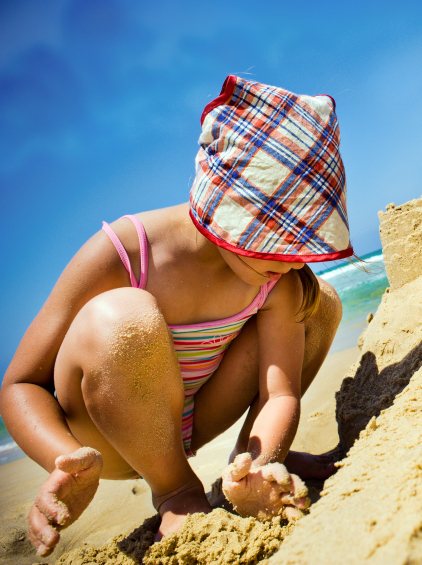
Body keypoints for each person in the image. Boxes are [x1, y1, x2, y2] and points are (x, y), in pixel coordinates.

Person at [0, 75, 353, 557]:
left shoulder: (278, 277)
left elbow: (279, 392)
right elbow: (20, 386)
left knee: (318, 300)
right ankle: (174, 488)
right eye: (279, 243)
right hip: (109, 438)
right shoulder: (122, 252)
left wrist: (259, 461)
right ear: (227, 211)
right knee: (123, 316)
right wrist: (62, 461)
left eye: (302, 243)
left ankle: (250, 464)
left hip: (196, 414)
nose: (294, 259)